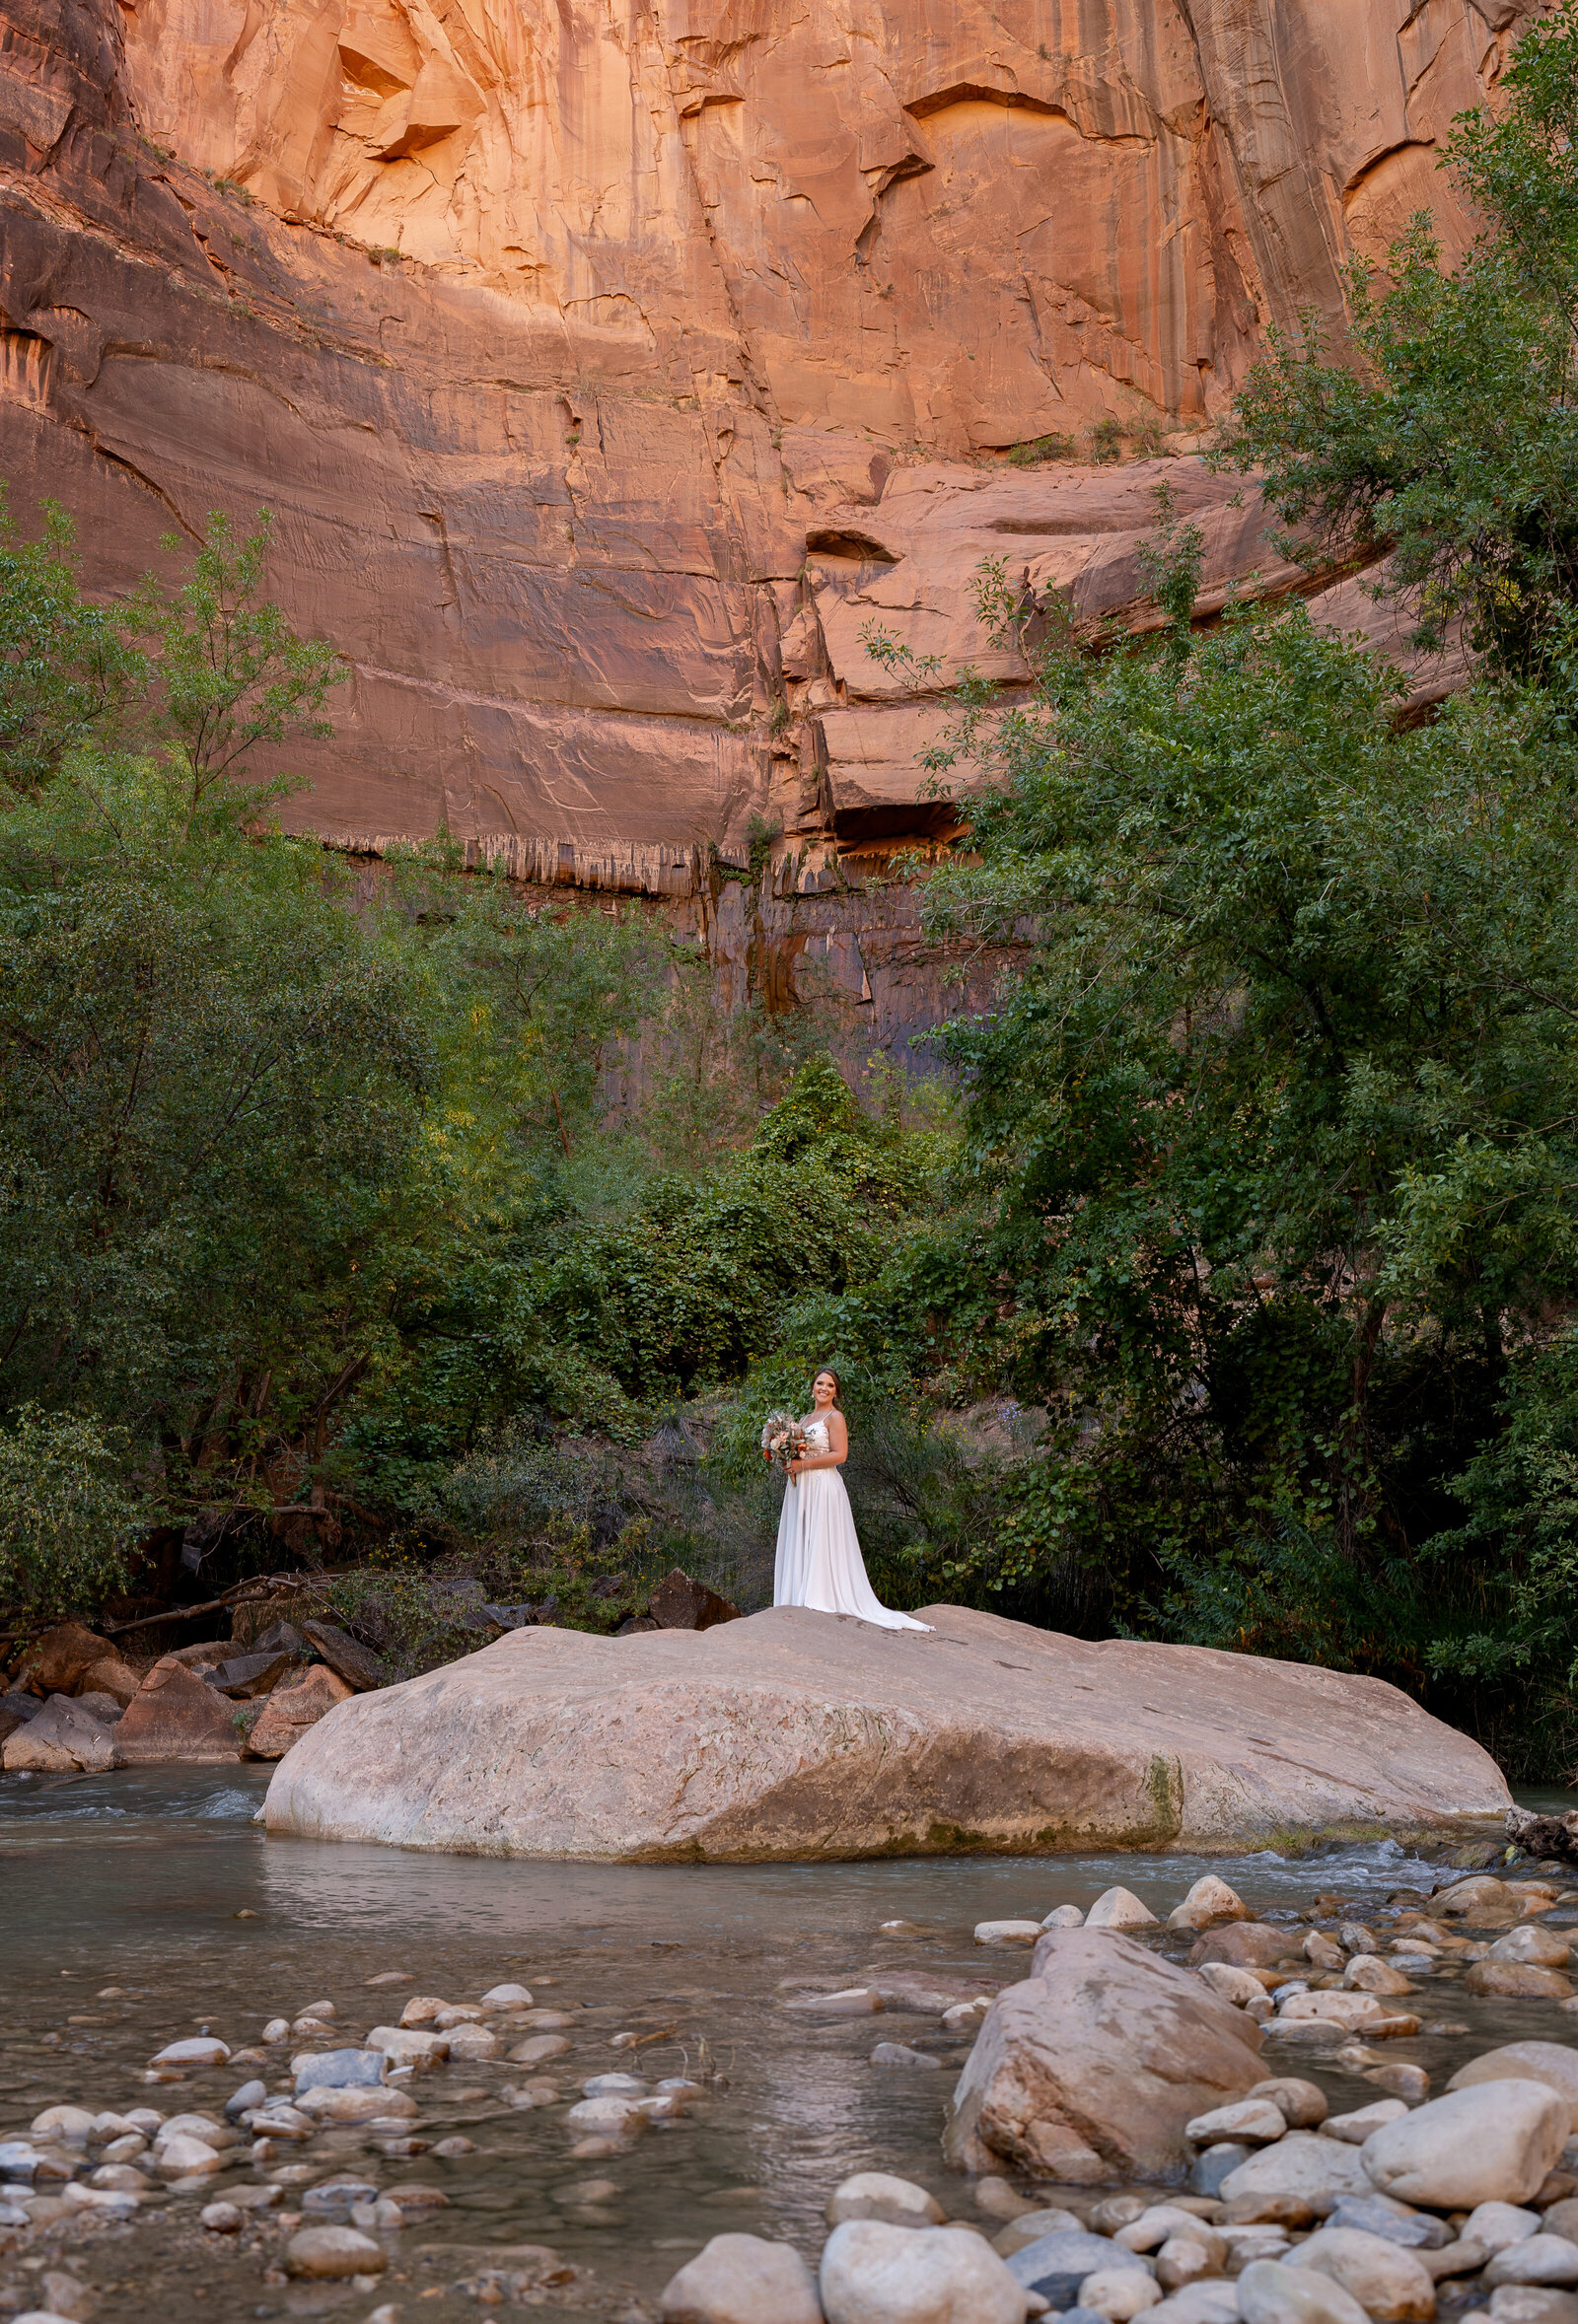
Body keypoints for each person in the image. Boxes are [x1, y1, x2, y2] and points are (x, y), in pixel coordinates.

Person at [768, 1368, 933, 1630]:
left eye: (830, 1385)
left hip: (823, 1486)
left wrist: (804, 1466)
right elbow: (798, 1453)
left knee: (821, 1537)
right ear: (812, 1387)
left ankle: (820, 1596)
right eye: (820, 1383)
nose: (824, 1388)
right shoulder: (804, 1418)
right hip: (801, 1488)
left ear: (836, 1391)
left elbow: (840, 1455)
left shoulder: (835, 1417)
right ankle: (796, 1595)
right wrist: (788, 1462)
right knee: (801, 1535)